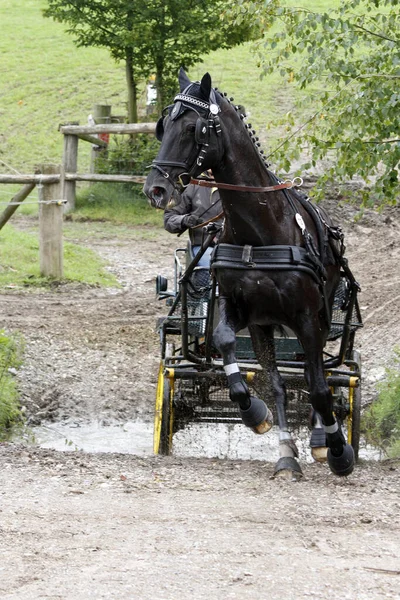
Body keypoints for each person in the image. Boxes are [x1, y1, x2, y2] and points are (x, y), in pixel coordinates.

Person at [163, 177, 222, 267]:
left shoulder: (240, 183)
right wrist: (184, 220)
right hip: (204, 247)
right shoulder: (193, 186)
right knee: (213, 267)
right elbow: (169, 218)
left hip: (237, 249)